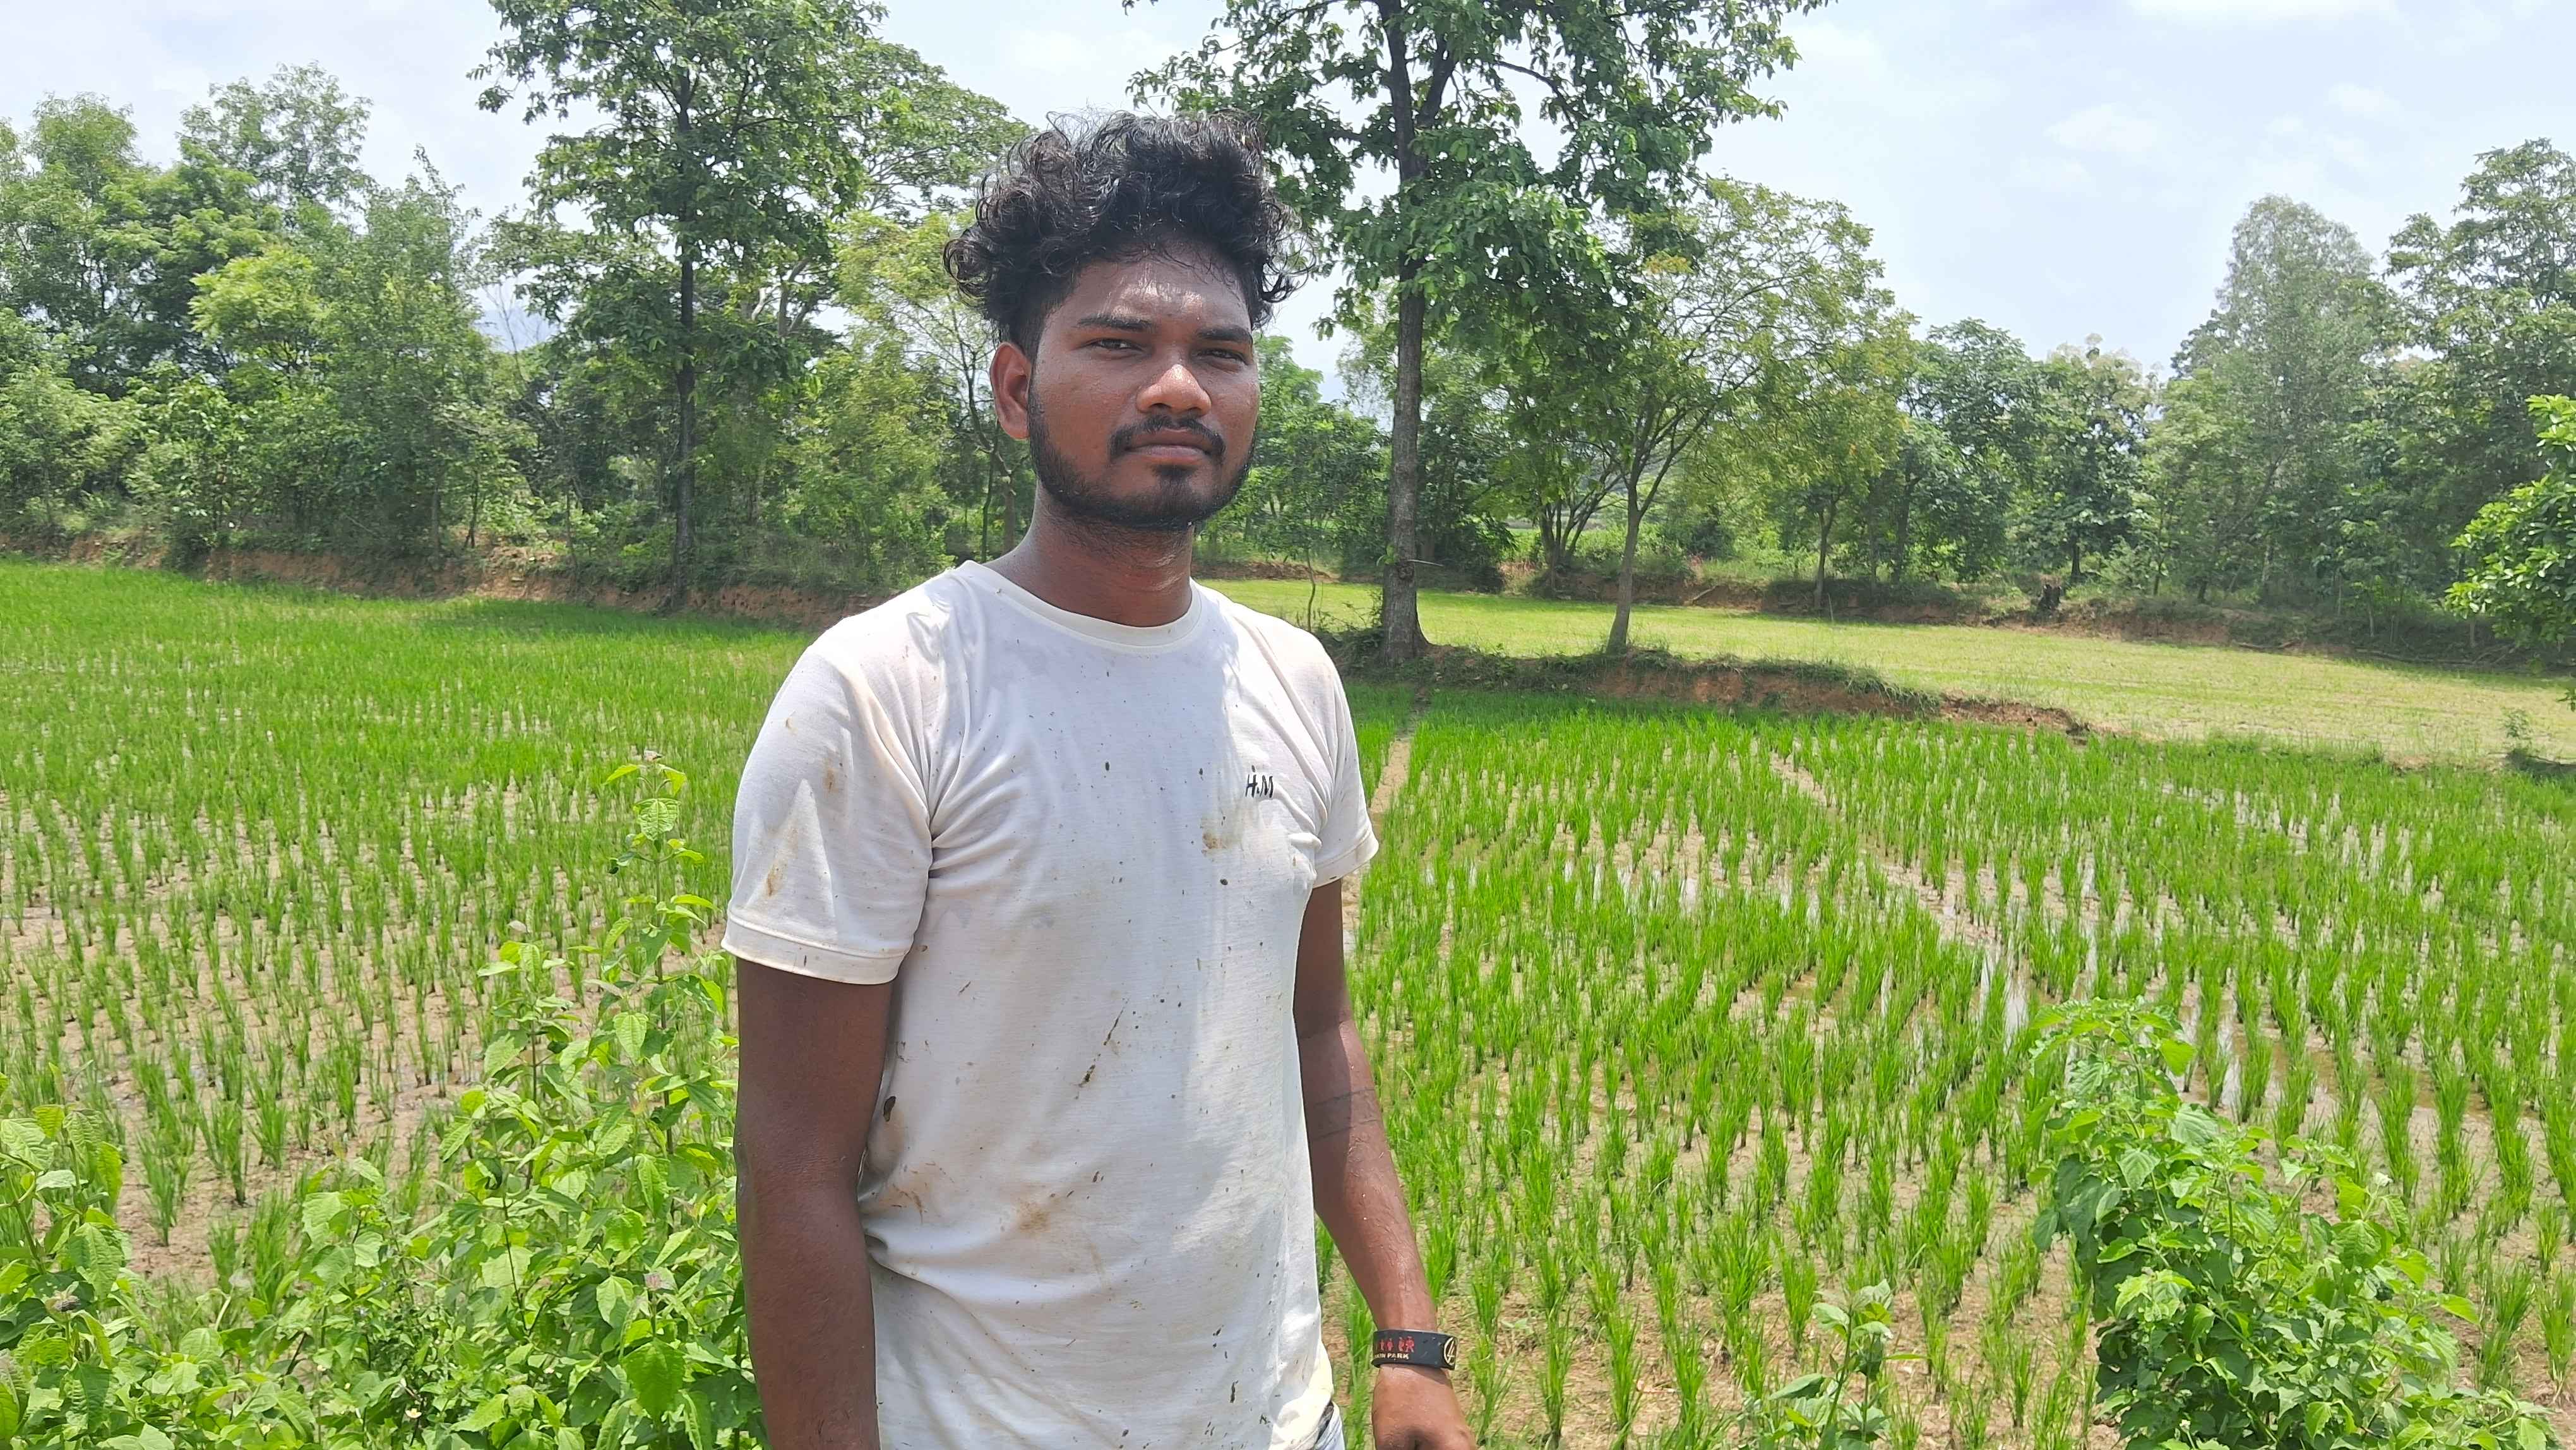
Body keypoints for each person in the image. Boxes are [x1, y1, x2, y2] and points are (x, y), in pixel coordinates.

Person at [724, 112, 1474, 1450]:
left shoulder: (1295, 679)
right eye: (1121, 345)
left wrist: (1409, 1337)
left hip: (1275, 1419)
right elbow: (792, 1170)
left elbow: (1315, 1030)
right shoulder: (886, 690)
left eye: (1221, 352)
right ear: (1017, 390)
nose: (1179, 386)